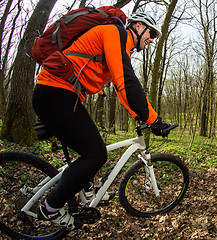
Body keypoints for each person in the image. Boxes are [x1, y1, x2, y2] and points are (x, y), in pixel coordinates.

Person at [32, 11, 170, 230]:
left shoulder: (119, 43)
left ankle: (87, 189)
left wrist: (140, 116)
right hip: (56, 94)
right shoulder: (115, 33)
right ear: (137, 26)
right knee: (96, 154)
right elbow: (126, 82)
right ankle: (50, 207)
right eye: (151, 33)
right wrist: (153, 119)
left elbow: (120, 87)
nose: (151, 39)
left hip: (60, 96)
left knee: (90, 146)